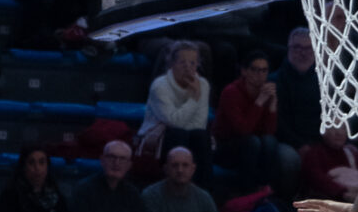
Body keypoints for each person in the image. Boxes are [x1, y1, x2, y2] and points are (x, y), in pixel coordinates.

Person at [214, 50, 301, 196]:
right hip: (227, 144)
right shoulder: (231, 92)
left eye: (264, 70)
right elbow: (243, 129)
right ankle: (247, 191)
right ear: (244, 71)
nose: (259, 75)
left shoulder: (267, 92)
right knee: (252, 141)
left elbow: (269, 131)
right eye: (255, 70)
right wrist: (259, 102)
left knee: (269, 141)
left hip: (256, 143)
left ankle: (267, 190)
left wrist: (272, 105)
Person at [138, 40, 213, 188]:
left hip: (190, 135)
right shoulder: (160, 85)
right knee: (178, 133)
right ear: (171, 63)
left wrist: (196, 95)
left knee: (201, 136)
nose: (188, 67)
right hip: (159, 136)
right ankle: (174, 187)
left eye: (192, 63)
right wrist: (193, 99)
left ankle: (203, 193)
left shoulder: (203, 85)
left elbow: (200, 122)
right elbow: (173, 121)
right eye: (182, 63)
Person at [271, 28, 323, 150]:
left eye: (308, 48)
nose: (303, 53)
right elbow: (279, 124)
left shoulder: (325, 82)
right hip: (290, 143)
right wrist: (301, 145)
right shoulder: (275, 82)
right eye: (297, 47)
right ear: (289, 48)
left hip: (321, 141)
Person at [300, 126, 358, 202]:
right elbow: (317, 179)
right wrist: (342, 192)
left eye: (343, 128)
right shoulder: (314, 154)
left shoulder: (352, 153)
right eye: (332, 127)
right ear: (323, 131)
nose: (339, 133)